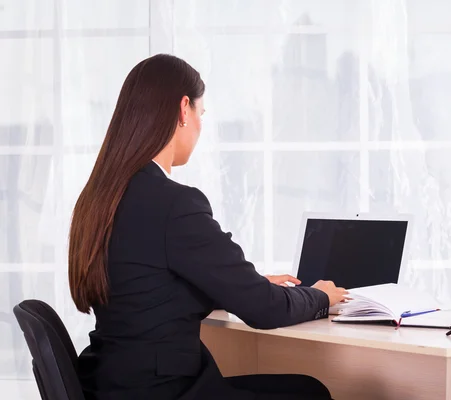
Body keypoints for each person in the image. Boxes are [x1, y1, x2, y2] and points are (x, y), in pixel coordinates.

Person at [68, 54, 347, 400]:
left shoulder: (98, 199)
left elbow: (148, 289)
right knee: (311, 392)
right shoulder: (174, 204)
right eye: (201, 113)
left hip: (111, 384)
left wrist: (250, 283)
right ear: (183, 109)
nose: (200, 125)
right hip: (166, 390)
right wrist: (321, 296)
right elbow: (263, 309)